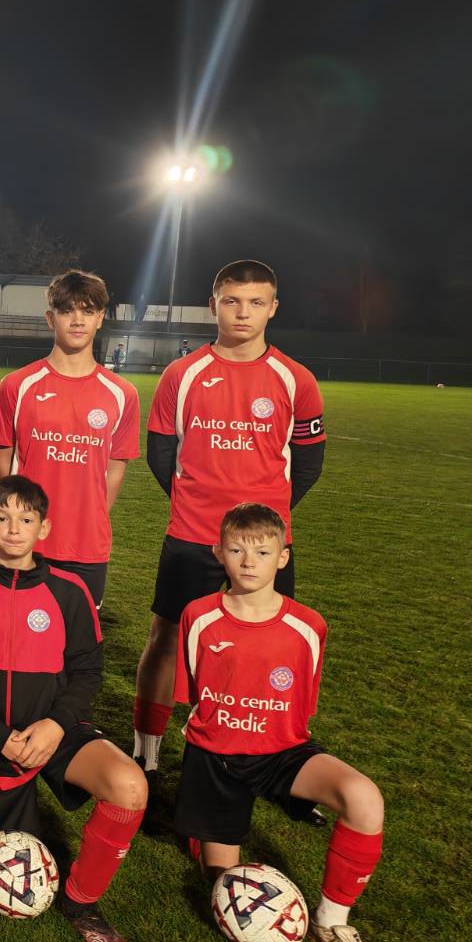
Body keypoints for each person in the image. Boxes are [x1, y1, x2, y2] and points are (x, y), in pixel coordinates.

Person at [0, 476, 147, 942]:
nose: (14, 529)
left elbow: (87, 671)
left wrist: (57, 724)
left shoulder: (70, 591)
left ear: (44, 528)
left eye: (26, 519)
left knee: (129, 787)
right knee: (10, 872)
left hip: (57, 731)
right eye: (2, 518)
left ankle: (81, 903)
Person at [132, 260, 325, 789]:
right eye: (232, 301)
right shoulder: (182, 375)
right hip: (193, 535)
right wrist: (194, 504)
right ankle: (146, 751)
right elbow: (160, 453)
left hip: (265, 546)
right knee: (166, 637)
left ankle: (268, 756)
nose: (243, 313)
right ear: (213, 304)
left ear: (273, 308)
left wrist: (264, 526)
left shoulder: (296, 379)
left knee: (271, 644)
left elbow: (309, 462)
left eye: (256, 302)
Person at [174, 503, 384, 942]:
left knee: (364, 798)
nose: (249, 562)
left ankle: (333, 923)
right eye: (237, 550)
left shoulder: (309, 625)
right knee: (224, 885)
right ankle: (205, 833)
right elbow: (194, 692)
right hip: (217, 759)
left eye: (263, 552)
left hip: (282, 752)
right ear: (218, 553)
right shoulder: (198, 616)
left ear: (283, 557)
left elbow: (301, 709)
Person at [0, 269, 138, 612]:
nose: (77, 320)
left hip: (87, 545)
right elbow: (2, 457)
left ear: (100, 318)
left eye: (88, 311)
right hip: (25, 541)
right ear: (50, 318)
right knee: (18, 636)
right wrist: (21, 514)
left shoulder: (122, 393)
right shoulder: (17, 386)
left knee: (78, 639)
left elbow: (116, 465)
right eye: (67, 310)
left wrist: (91, 513)